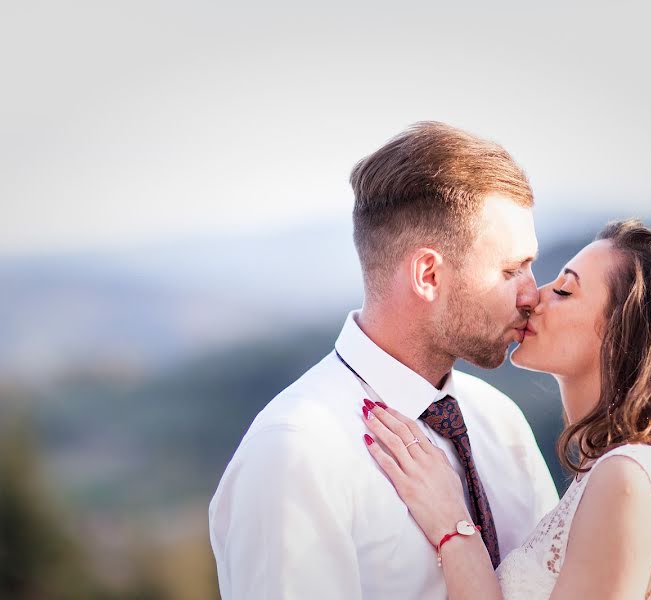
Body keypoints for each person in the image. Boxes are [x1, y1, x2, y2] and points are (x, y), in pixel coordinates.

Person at [208, 122, 559, 598]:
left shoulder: (502, 423)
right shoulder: (296, 452)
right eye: (511, 270)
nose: (531, 294)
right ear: (429, 275)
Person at [362, 220, 651, 599]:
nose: (534, 297)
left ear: (627, 333)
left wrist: (451, 523)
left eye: (565, 290)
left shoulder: (629, 476)